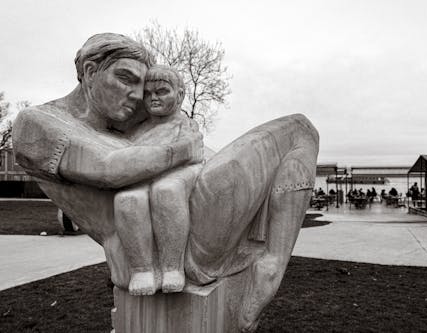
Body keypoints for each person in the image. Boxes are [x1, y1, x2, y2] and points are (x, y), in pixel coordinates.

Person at [12, 33, 319, 331]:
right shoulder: (37, 124)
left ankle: (268, 262)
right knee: (299, 131)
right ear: (91, 72)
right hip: (175, 244)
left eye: (143, 87)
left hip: (183, 223)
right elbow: (108, 169)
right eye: (126, 79)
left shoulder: (127, 120)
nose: (137, 95)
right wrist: (184, 150)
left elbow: (201, 152)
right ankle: (272, 265)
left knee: (294, 135)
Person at [113, 65, 203, 295]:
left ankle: (172, 267)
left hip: (181, 173)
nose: (153, 98)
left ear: (180, 95)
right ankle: (142, 269)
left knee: (167, 191)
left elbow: (192, 151)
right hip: (146, 175)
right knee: (127, 199)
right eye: (148, 93)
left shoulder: (186, 124)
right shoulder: (138, 130)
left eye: (162, 91)